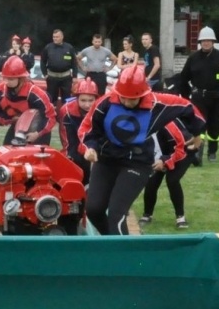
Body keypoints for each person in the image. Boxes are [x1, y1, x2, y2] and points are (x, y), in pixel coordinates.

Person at [79, 66, 190, 235]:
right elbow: (88, 130)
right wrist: (90, 148)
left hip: (138, 163)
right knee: (94, 209)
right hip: (107, 160)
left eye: (132, 99)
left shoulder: (157, 108)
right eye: (123, 97)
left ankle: (124, 249)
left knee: (116, 214)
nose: (127, 102)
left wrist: (169, 159)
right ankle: (112, 242)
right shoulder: (105, 103)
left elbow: (182, 135)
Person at [140, 93, 207, 229]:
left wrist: (164, 162)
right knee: (152, 181)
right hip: (163, 153)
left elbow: (180, 149)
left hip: (183, 150)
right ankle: (147, 215)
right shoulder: (140, 123)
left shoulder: (167, 124)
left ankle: (180, 218)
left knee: (172, 180)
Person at [169, 26, 219, 161]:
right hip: (199, 97)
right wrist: (186, 96)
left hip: (216, 96)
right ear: (200, 42)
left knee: (215, 125)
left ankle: (212, 152)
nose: (206, 43)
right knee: (199, 125)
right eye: (203, 41)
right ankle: (197, 152)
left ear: (213, 42)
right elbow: (183, 78)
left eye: (208, 40)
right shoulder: (193, 58)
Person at [0, 54, 54, 136]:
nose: (6, 82)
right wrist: (11, 120)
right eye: (5, 78)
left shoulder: (35, 94)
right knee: (9, 144)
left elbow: (50, 116)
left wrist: (37, 134)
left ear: (21, 79)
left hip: (39, 128)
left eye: (11, 79)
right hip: (17, 125)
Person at [58, 77, 100, 183]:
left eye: (91, 100)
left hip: (93, 143)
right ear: (76, 98)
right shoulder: (66, 110)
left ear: (96, 99)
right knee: (73, 157)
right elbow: (66, 140)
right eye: (83, 100)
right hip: (74, 139)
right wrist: (68, 157)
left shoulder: (101, 110)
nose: (87, 104)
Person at [40, 29, 79, 106]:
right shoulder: (48, 47)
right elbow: (43, 62)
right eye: (54, 37)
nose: (55, 38)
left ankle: (66, 112)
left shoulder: (69, 47)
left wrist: (75, 76)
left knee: (67, 99)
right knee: (51, 99)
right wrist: (45, 74)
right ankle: (52, 113)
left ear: (62, 37)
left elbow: (74, 63)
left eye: (57, 37)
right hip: (52, 78)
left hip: (66, 78)